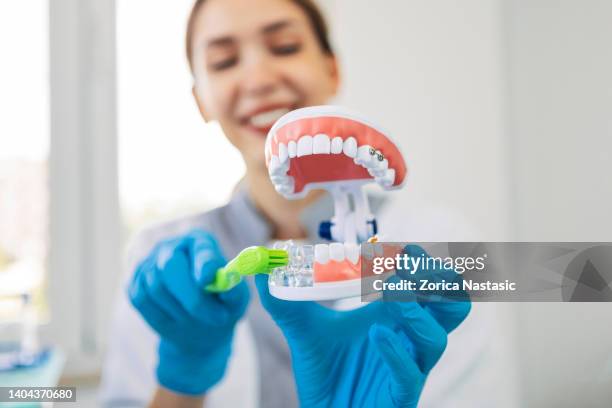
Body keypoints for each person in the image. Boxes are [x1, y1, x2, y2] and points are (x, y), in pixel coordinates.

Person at [100, 0, 518, 407]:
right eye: (224, 61)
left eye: (285, 47)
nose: (258, 78)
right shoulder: (161, 262)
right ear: (201, 100)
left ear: (332, 69)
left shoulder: (444, 246)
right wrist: (183, 378)